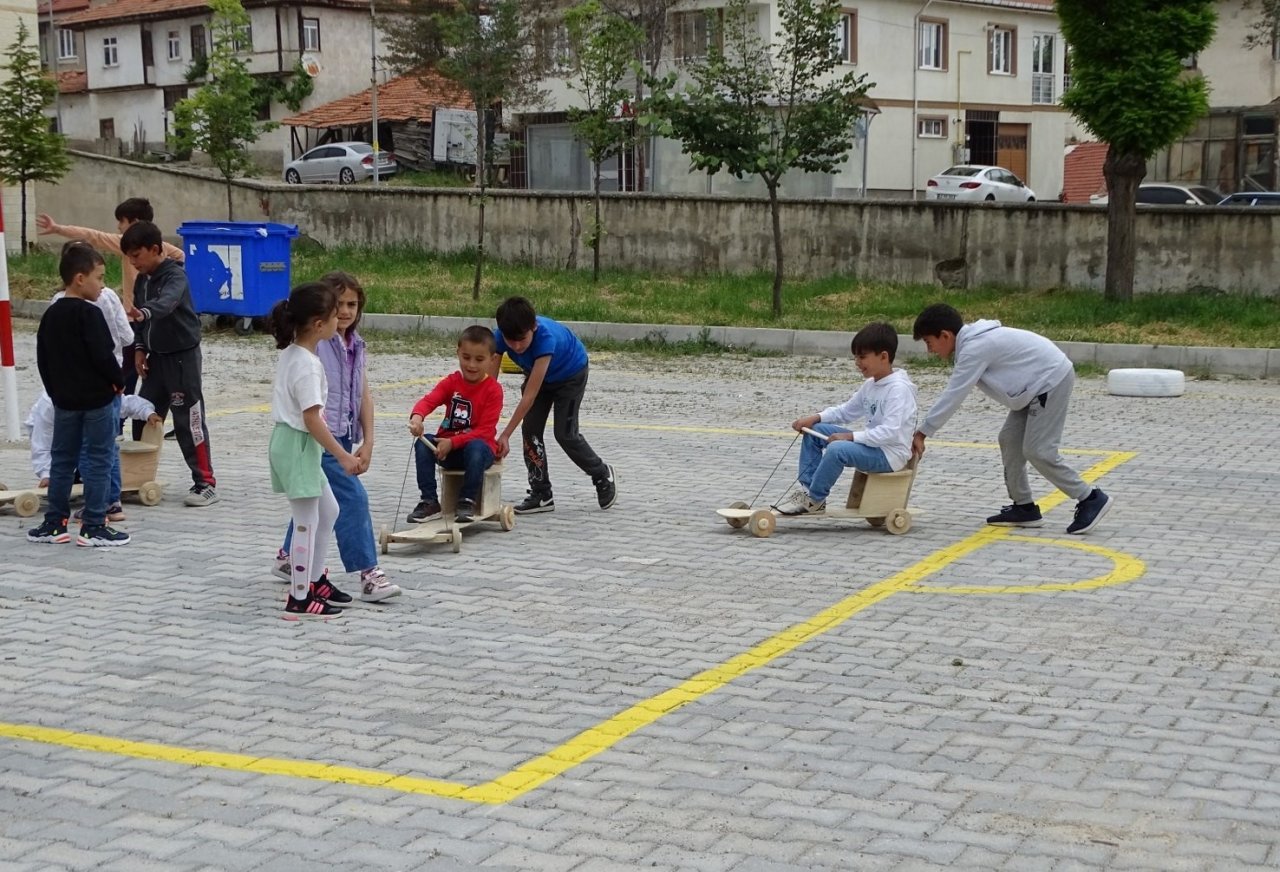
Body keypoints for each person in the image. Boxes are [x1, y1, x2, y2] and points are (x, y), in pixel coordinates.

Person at [911, 303, 1113, 535]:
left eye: (929, 342)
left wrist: (923, 432)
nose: (930, 351)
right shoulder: (972, 344)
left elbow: (954, 394)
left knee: (1038, 450)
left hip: (1050, 380)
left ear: (945, 335)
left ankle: (1090, 497)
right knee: (1009, 439)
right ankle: (1024, 507)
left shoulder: (975, 348)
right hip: (1031, 388)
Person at [272, 272, 401, 603]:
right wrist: (343, 456)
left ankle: (293, 561)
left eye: (352, 304)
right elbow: (310, 416)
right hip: (315, 440)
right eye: (338, 305)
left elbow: (363, 393)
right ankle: (366, 573)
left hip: (338, 437)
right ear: (320, 316)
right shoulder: (313, 348)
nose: (345, 312)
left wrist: (368, 440)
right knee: (352, 499)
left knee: (318, 506)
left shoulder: (355, 344)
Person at [268, 282, 361, 619]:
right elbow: (311, 418)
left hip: (295, 444)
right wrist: (343, 455)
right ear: (320, 324)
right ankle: (299, 596)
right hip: (298, 444)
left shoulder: (296, 352)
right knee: (306, 521)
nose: (342, 320)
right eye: (336, 315)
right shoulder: (307, 364)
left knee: (329, 510)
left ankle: (314, 579)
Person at [27, 244, 129, 547]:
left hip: (65, 402)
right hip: (97, 401)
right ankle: (94, 524)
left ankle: (54, 522)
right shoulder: (90, 314)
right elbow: (103, 355)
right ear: (80, 278)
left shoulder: (51, 315)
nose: (102, 285)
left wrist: (56, 392)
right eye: (99, 278)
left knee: (62, 460)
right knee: (98, 460)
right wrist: (117, 382)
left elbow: (43, 359)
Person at [36, 198, 185, 393]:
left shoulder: (135, 247)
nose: (118, 227)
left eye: (121, 221)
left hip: (141, 321)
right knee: (140, 374)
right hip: (145, 321)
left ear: (135, 222)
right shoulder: (149, 247)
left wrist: (57, 228)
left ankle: (127, 413)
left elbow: (92, 236)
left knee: (133, 378)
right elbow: (182, 256)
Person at [775, 323, 919, 515]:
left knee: (837, 449)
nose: (857, 363)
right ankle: (809, 491)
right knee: (816, 430)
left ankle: (815, 499)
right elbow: (846, 411)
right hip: (872, 445)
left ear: (884, 356)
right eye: (855, 357)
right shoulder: (871, 385)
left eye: (862, 357)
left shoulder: (898, 390)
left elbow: (889, 433)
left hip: (889, 454)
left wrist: (849, 438)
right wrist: (815, 417)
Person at [122, 220, 218, 506]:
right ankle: (136, 478)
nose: (132, 262)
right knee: (143, 416)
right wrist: (140, 349)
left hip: (182, 360)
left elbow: (164, 304)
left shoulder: (176, 277)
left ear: (155, 249)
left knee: (188, 420)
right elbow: (141, 323)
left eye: (137, 255)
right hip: (156, 361)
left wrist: (143, 314)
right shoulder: (142, 280)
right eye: (129, 256)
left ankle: (205, 483)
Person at [490, 296, 615, 514]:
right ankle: (541, 493)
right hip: (541, 377)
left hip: (570, 375)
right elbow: (489, 386)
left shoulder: (545, 339)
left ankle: (601, 473)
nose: (517, 346)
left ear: (534, 327)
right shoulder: (500, 336)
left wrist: (505, 434)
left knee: (565, 434)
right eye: (511, 341)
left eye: (522, 339)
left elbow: (529, 396)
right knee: (530, 431)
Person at [407, 325, 503, 524]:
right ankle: (429, 501)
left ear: (492, 360)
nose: (471, 365)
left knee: (476, 447)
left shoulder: (494, 390)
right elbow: (429, 400)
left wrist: (454, 442)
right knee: (422, 445)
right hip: (448, 448)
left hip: (479, 450)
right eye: (466, 357)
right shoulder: (452, 382)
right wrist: (417, 418)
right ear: (458, 353)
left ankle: (467, 500)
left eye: (479, 359)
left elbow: (485, 431)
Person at [26, 391, 162, 518]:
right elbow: (42, 442)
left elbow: (127, 403)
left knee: (104, 446)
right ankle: (102, 499)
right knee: (89, 450)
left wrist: (148, 412)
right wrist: (46, 473)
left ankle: (109, 502)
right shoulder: (48, 406)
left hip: (84, 411)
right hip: (54, 432)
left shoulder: (98, 393)